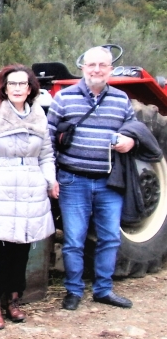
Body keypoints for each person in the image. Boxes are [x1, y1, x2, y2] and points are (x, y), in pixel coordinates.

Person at [0, 65, 58, 330]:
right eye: (12, 84)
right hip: (0, 189)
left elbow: (47, 154)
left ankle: (14, 299)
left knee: (21, 251)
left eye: (23, 84)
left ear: (30, 88)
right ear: (4, 88)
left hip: (30, 190)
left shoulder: (39, 116)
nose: (18, 89)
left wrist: (48, 180)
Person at [47, 46, 136, 310]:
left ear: (110, 69)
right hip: (73, 181)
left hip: (110, 183)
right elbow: (48, 141)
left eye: (102, 65)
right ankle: (73, 291)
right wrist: (52, 178)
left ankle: (103, 290)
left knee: (110, 238)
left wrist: (131, 141)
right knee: (74, 240)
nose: (96, 70)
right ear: (83, 68)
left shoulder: (122, 100)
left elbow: (135, 131)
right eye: (91, 65)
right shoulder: (64, 98)